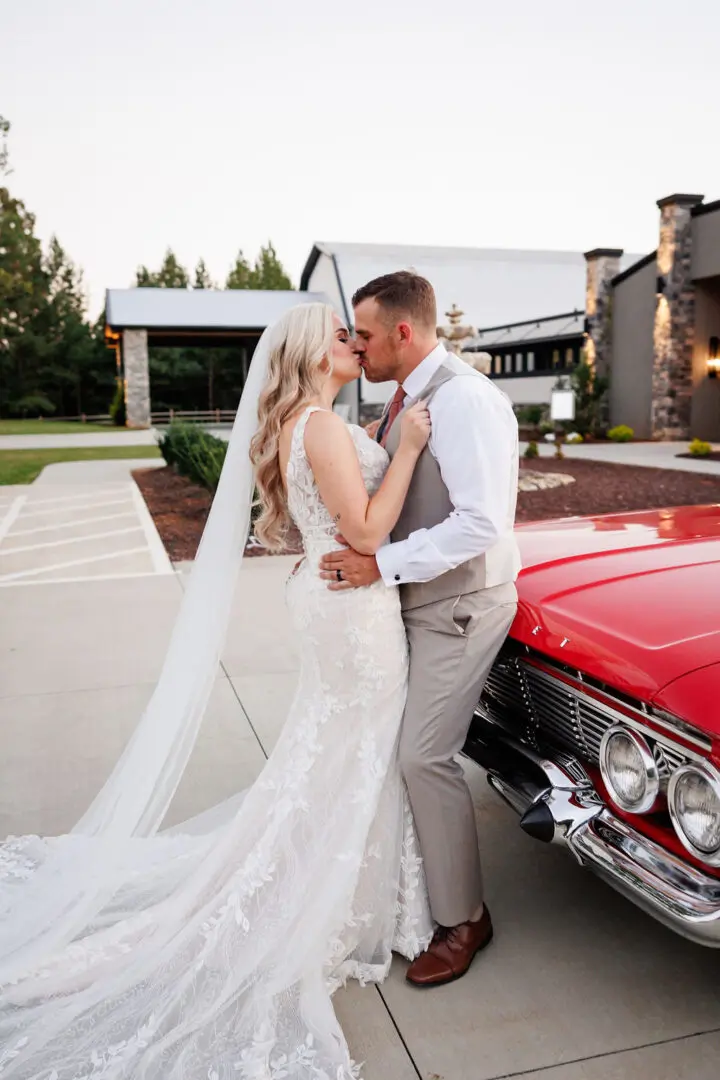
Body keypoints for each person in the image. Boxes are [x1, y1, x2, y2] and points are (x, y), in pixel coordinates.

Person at [0, 302, 435, 1080]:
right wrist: (403, 451)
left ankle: (336, 891)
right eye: (341, 335)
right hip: (354, 612)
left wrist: (376, 446)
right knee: (350, 756)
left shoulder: (307, 426)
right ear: (311, 352)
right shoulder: (323, 427)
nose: (353, 343)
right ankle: (333, 903)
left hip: (327, 600)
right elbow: (366, 533)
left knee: (331, 757)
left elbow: (327, 513)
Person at [320, 272, 521, 988]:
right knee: (389, 749)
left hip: (460, 606)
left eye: (366, 334)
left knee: (424, 757)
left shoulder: (465, 399)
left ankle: (465, 917)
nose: (358, 346)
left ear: (403, 332)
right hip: (413, 603)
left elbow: (481, 522)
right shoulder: (399, 402)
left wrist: (381, 566)